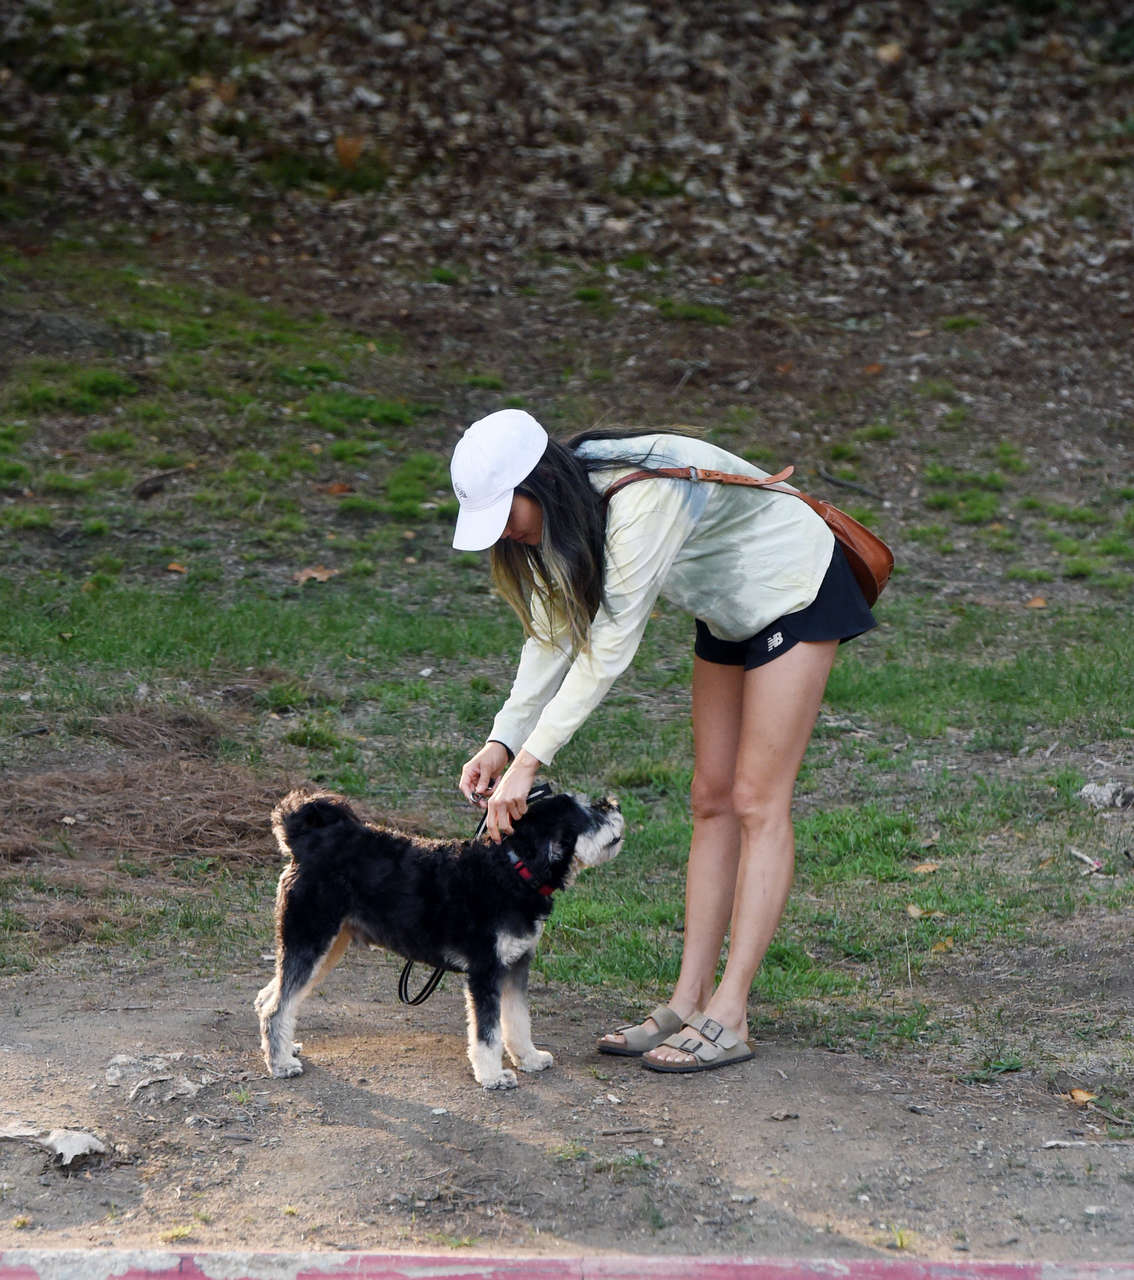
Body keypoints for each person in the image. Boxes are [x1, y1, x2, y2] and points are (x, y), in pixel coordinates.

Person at [451, 408, 875, 1074]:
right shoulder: (571, 508)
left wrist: (532, 763)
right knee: (710, 799)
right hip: (728, 607)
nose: (505, 533)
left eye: (507, 513)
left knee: (757, 800)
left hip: (794, 587)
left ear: (538, 482)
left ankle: (730, 1013)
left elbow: (606, 649)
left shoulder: (641, 497)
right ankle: (688, 1001)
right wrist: (502, 744)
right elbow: (553, 634)